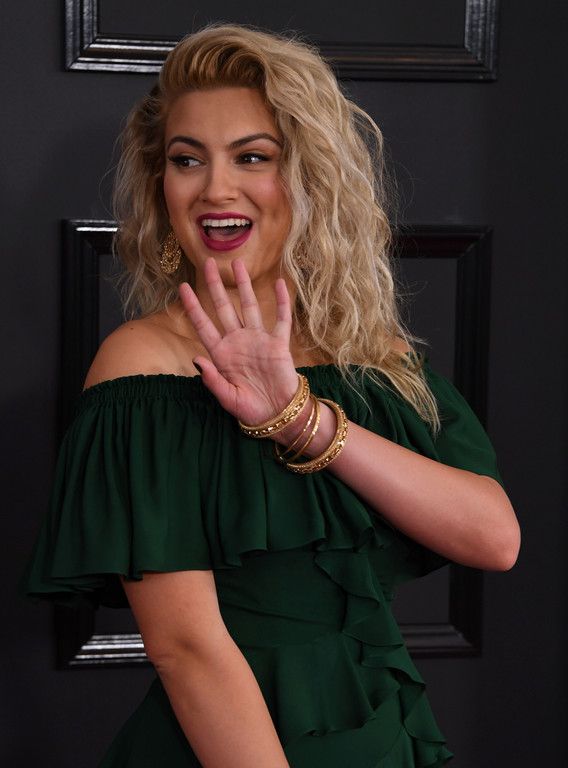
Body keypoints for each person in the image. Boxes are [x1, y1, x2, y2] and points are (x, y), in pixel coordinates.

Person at [23, 23, 520, 768]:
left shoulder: (369, 350)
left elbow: (493, 538)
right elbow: (188, 649)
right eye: (187, 160)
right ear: (162, 184)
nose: (215, 188)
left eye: (252, 156)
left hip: (383, 735)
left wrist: (301, 420)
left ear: (310, 179)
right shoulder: (141, 365)